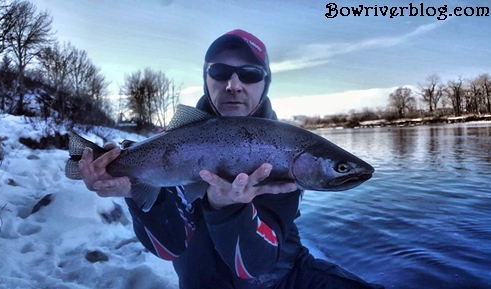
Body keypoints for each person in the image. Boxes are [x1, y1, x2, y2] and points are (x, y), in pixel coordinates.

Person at [78, 29, 384, 289]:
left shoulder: (286, 146)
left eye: (250, 74)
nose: (233, 84)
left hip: (283, 277)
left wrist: (227, 208)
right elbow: (169, 247)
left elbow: (255, 267)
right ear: (207, 80)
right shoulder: (171, 148)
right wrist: (133, 189)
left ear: (264, 85)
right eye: (220, 71)